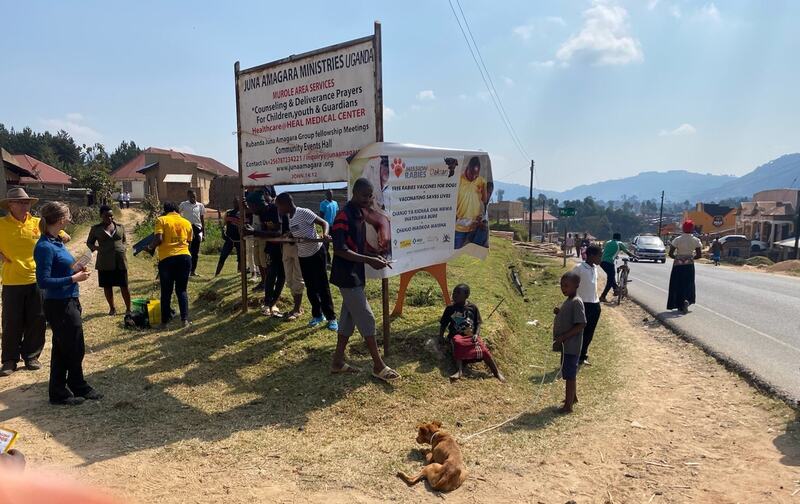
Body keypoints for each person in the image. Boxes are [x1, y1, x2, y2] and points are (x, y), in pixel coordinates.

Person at [329, 178, 400, 382]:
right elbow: (341, 250)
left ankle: (337, 362)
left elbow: (357, 246)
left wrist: (373, 255)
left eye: (370, 196)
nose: (368, 199)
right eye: (364, 195)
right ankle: (378, 366)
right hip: (346, 276)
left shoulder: (359, 214)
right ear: (354, 193)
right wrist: (369, 260)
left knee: (348, 319)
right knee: (367, 318)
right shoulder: (343, 216)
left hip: (355, 274)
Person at [33, 201, 102, 405]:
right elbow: (43, 281)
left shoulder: (57, 242)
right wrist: (73, 279)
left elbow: (61, 268)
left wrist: (76, 268)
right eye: (68, 216)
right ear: (60, 219)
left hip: (69, 299)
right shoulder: (45, 246)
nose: (70, 220)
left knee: (63, 347)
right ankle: (78, 385)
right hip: (59, 303)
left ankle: (58, 392)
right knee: (74, 346)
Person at [0, 188, 70, 377]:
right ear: (10, 205)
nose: (25, 206)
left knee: (37, 318)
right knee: (11, 321)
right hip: (12, 280)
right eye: (20, 203)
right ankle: (9, 359)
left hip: (37, 279)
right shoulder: (2, 224)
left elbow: (62, 234)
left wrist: (62, 237)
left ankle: (32, 355)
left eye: (27, 203)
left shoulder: (38, 223)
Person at [275, 193, 337, 329]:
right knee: (311, 287)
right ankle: (317, 315)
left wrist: (325, 234)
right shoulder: (290, 217)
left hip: (316, 253)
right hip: (303, 256)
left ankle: (331, 318)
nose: (278, 210)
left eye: (279, 207)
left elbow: (324, 222)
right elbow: (298, 231)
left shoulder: (303, 212)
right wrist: (289, 236)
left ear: (286, 204)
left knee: (322, 287)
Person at [439, 284, 505, 382]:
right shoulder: (450, 308)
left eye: (458, 293)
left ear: (466, 295)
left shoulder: (472, 307)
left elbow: (478, 323)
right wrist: (440, 336)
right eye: (454, 292)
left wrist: (476, 334)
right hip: (456, 335)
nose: (454, 295)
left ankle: (496, 372)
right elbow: (443, 324)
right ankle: (459, 370)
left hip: (470, 335)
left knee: (483, 349)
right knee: (457, 342)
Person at [147, 202, 193, 328]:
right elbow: (189, 241)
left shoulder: (161, 220)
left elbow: (159, 239)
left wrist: (150, 247)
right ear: (177, 210)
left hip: (167, 259)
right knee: (182, 290)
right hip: (185, 258)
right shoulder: (186, 222)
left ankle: (164, 323)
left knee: (166, 291)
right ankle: (184, 320)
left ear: (165, 210)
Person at [86, 205, 131, 316]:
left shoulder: (120, 227)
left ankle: (129, 309)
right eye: (107, 216)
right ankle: (112, 308)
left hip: (120, 260)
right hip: (104, 262)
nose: (110, 218)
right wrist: (97, 248)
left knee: (124, 285)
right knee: (107, 286)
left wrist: (123, 248)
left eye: (111, 216)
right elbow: (89, 243)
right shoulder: (95, 229)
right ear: (101, 216)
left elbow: (124, 240)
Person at [552, 271, 586, 414]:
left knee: (569, 376)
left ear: (576, 286)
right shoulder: (569, 300)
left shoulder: (576, 301)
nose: (563, 288)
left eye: (566, 286)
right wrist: (560, 312)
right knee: (568, 372)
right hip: (566, 346)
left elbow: (581, 324)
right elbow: (569, 315)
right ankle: (573, 398)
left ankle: (568, 406)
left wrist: (563, 337)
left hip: (571, 346)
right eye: (562, 285)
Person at [572, 245, 602, 366]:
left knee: (590, 332)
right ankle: (574, 355)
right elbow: (570, 283)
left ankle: (583, 355)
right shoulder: (579, 268)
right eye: (599, 256)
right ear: (591, 256)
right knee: (579, 332)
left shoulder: (594, 268)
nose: (601, 259)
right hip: (582, 304)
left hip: (595, 304)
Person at [454, 156, 490, 249]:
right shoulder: (458, 180)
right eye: (472, 173)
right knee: (456, 253)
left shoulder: (481, 181)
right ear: (467, 168)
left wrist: (484, 188)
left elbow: (485, 200)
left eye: (476, 175)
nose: (473, 177)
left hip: (475, 227)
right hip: (459, 227)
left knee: (471, 253)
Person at [667, 220, 703, 314]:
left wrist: (678, 259)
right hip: (689, 265)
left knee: (677, 284)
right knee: (688, 283)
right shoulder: (696, 240)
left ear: (683, 228)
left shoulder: (677, 239)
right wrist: (689, 259)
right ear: (692, 229)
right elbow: (699, 255)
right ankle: (687, 300)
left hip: (678, 266)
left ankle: (679, 303)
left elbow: (670, 253)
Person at [599, 233, 633, 302]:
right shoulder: (619, 243)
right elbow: (627, 252)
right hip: (609, 262)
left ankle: (615, 289)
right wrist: (635, 256)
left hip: (602, 262)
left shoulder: (608, 242)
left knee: (611, 278)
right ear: (619, 238)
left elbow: (607, 251)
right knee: (610, 279)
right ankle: (604, 296)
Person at [179, 190, 205, 276]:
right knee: (186, 249)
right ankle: (185, 270)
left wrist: (203, 233)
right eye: (191, 196)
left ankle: (193, 271)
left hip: (197, 229)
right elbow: (177, 214)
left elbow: (202, 219)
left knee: (195, 251)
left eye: (194, 196)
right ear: (188, 196)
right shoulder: (183, 204)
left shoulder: (200, 205)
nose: (193, 198)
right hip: (187, 229)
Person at [215, 198, 242, 276]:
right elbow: (224, 225)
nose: (235, 204)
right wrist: (223, 233)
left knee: (240, 258)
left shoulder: (243, 213)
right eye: (234, 202)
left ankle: (239, 274)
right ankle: (216, 274)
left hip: (239, 240)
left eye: (236, 202)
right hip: (229, 239)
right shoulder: (229, 213)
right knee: (223, 256)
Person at [319, 189, 339, 265]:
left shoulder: (335, 203)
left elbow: (337, 214)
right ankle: (327, 260)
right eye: (329, 194)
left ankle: (335, 261)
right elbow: (321, 216)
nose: (330, 195)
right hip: (327, 227)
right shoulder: (323, 204)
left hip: (334, 227)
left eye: (331, 194)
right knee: (326, 244)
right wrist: (322, 228)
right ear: (326, 195)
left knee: (336, 244)